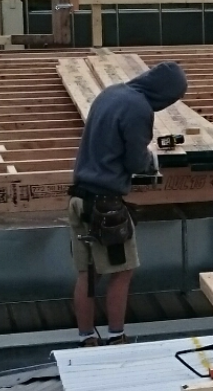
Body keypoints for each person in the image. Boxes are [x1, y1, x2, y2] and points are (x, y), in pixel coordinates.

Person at [68, 60, 188, 346]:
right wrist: (152, 162)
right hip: (104, 206)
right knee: (122, 271)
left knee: (88, 273)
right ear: (164, 94)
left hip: (78, 198)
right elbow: (135, 160)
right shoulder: (139, 109)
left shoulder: (111, 93)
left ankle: (86, 338)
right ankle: (116, 336)